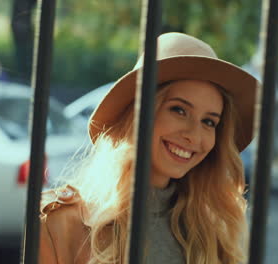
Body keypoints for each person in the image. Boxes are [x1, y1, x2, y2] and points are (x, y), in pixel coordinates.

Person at [38, 32, 259, 264]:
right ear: (138, 113)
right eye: (179, 110)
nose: (194, 135)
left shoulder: (214, 232)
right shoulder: (58, 223)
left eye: (209, 122)